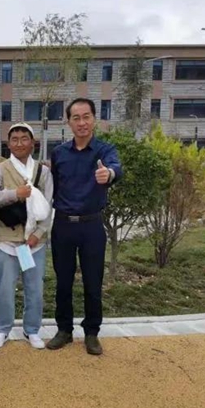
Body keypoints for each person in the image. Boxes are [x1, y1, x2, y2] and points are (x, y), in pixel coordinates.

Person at [47, 98, 123, 355]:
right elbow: (53, 186)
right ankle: (64, 330)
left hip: (92, 225)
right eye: (76, 118)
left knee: (93, 281)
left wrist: (108, 174)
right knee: (63, 281)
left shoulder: (105, 151)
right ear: (68, 122)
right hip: (63, 225)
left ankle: (91, 333)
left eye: (86, 116)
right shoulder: (59, 153)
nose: (82, 122)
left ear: (94, 119)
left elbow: (116, 168)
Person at [0, 122, 54, 349]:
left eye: (24, 139)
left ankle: (31, 330)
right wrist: (15, 193)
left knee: (34, 288)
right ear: (8, 144)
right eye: (15, 139)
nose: (19, 143)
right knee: (4, 288)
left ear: (33, 143)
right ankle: (2, 329)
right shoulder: (0, 170)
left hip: (33, 243)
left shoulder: (43, 172)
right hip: (6, 241)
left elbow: (49, 206)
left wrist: (38, 234)